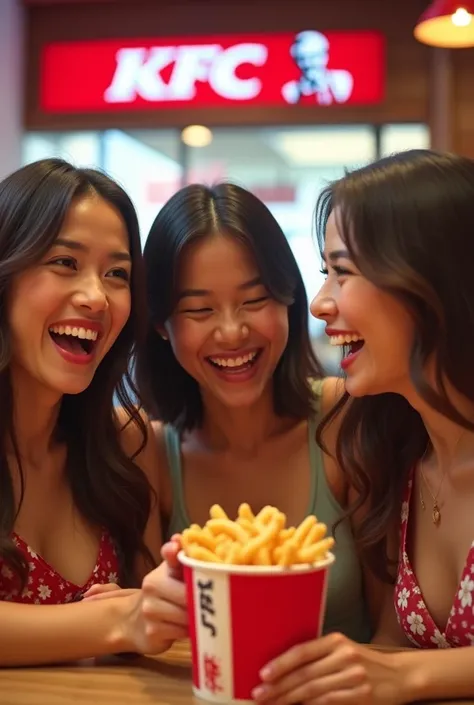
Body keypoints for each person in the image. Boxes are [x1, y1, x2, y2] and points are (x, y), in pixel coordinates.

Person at [252, 149, 474, 704]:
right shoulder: (402, 459)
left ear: (432, 281)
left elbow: (404, 671)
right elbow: (394, 647)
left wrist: (408, 678)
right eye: (326, 274)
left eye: (343, 272)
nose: (321, 304)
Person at [132, 181, 374, 643]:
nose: (231, 331)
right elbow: (153, 635)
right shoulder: (150, 454)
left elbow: (391, 629)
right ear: (162, 325)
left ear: (289, 298)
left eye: (255, 300)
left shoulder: (345, 417)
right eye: (199, 309)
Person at [0, 158, 186, 666]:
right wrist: (117, 621)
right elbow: (130, 620)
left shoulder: (126, 443)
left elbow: (148, 620)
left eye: (118, 274)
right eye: (65, 262)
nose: (96, 297)